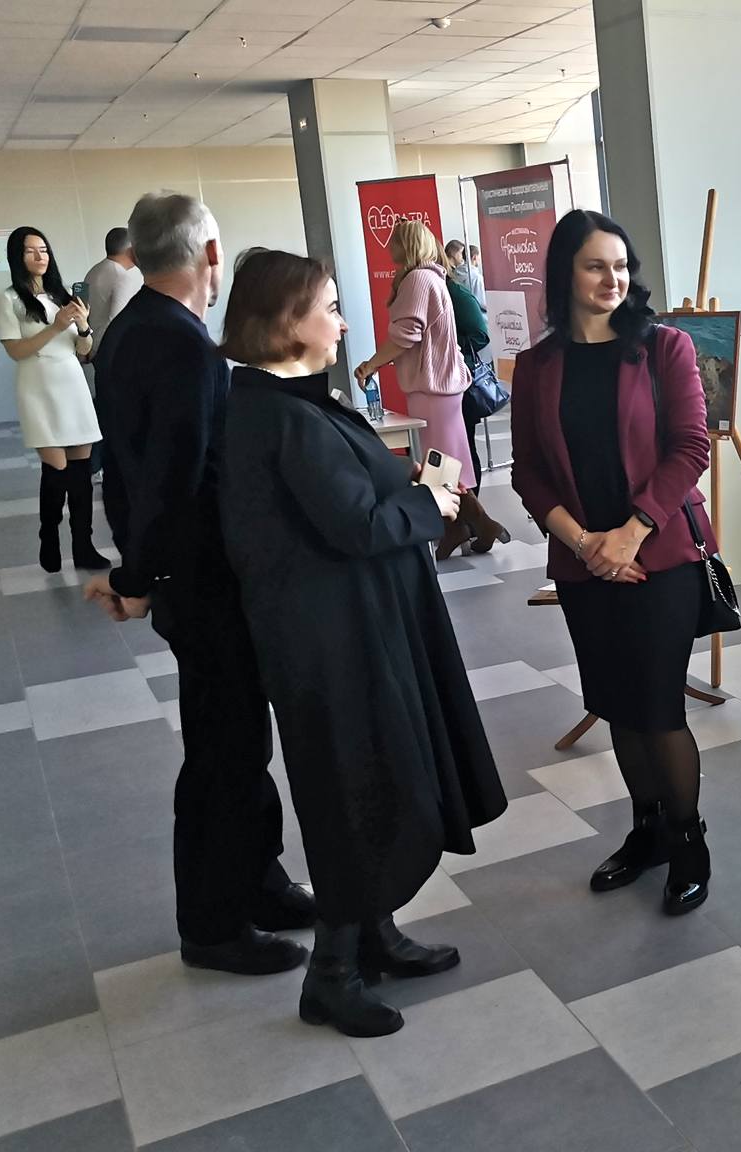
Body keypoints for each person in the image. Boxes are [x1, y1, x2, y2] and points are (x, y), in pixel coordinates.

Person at [219, 247, 507, 1038]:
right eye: (332, 308)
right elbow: (358, 525)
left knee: (376, 779)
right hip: (330, 645)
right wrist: (430, 503)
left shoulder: (286, 402)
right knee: (355, 793)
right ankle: (332, 974)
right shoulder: (281, 415)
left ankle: (374, 936)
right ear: (287, 321)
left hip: (348, 627)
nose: (344, 323)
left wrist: (409, 487)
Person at [83, 192, 314, 976]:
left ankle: (261, 883)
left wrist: (140, 565)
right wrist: (138, 575)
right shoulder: (180, 343)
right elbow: (173, 477)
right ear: (211, 254)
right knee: (223, 751)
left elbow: (133, 472)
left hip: (191, 576)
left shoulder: (132, 329)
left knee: (240, 739)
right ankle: (215, 925)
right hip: (205, 581)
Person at [512, 209, 712, 915]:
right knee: (615, 703)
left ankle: (689, 842)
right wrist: (583, 544)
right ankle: (647, 832)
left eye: (621, 266)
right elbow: (528, 472)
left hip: (659, 558)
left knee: (657, 707)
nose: (612, 279)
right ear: (565, 272)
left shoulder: (665, 348)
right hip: (583, 564)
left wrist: (629, 535)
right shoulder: (537, 366)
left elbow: (691, 447)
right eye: (596, 266)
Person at [351, 220, 509, 558]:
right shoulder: (432, 278)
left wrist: (371, 364)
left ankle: (478, 525)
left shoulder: (418, 280)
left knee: (440, 464)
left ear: (405, 245)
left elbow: (406, 335)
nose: (388, 247)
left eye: (394, 241)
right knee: (444, 462)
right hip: (442, 386)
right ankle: (461, 527)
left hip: (433, 386)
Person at [0, 227, 105, 572]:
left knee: (81, 474)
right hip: (38, 389)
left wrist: (84, 326)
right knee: (56, 471)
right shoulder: (9, 299)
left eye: (43, 249)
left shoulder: (63, 295)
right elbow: (17, 351)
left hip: (72, 385)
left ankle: (84, 545)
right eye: (30, 250)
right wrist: (57, 327)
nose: (39, 256)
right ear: (17, 256)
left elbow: (84, 351)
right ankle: (49, 537)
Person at [82, 226, 140, 496]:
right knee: (114, 413)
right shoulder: (123, 276)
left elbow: (84, 313)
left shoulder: (92, 272)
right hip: (112, 354)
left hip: (94, 350)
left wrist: (88, 348)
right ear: (130, 248)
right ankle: (101, 466)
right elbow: (119, 321)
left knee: (102, 408)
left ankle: (93, 465)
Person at [446, 269, 491, 490]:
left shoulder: (458, 295)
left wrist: (447, 343)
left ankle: (473, 501)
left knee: (466, 445)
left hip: (462, 380)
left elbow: (480, 336)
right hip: (444, 381)